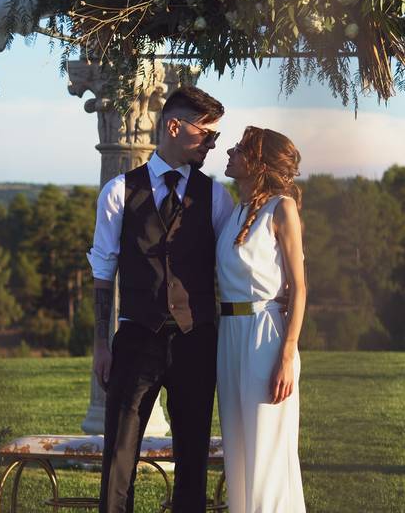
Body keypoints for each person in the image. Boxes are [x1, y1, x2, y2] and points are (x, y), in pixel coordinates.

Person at [87, 86, 234, 513]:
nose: (212, 145)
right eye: (207, 135)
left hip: (196, 339)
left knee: (192, 458)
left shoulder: (215, 197)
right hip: (136, 339)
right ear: (175, 126)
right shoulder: (118, 191)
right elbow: (103, 270)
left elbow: (233, 266)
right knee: (119, 456)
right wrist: (101, 342)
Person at [216, 126, 308, 513]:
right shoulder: (234, 210)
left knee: (266, 449)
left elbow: (300, 289)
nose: (230, 152)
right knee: (237, 451)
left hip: (265, 336)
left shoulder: (281, 208)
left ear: (258, 161)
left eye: (239, 148)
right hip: (229, 335)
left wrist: (287, 356)